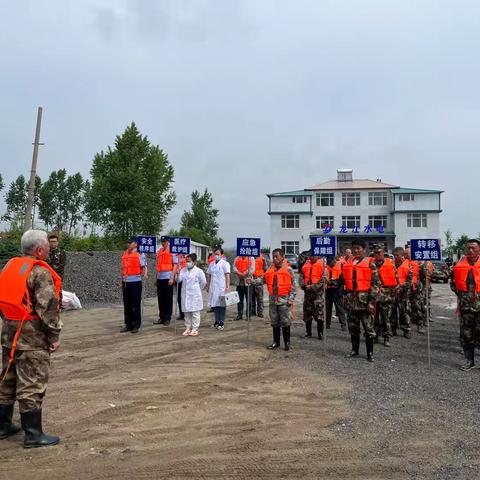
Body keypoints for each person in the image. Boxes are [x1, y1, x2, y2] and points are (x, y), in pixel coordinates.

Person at [0, 230, 62, 448]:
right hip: (32, 339)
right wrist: (54, 335)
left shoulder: (10, 267)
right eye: (46, 246)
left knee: (7, 380)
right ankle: (33, 435)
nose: (48, 249)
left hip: (9, 334)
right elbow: (48, 307)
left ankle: (3, 426)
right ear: (39, 250)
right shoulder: (39, 272)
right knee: (32, 383)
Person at [338, 239, 380, 362]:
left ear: (364, 250)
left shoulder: (370, 263)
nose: (356, 251)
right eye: (354, 248)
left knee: (368, 329)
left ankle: (370, 354)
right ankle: (355, 350)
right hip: (351, 301)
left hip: (365, 301)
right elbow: (342, 279)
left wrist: (371, 302)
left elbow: (376, 284)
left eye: (359, 248)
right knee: (353, 328)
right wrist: (329, 281)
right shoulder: (348, 263)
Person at [450, 239, 480, 371]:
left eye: (473, 248)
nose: (471, 251)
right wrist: (462, 295)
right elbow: (453, 282)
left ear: (479, 250)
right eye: (468, 248)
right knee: (466, 335)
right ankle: (469, 361)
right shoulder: (459, 265)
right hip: (466, 307)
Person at [265, 248, 297, 351]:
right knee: (274, 322)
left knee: (285, 322)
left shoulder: (288, 269)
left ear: (282, 257)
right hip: (273, 301)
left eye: (276, 256)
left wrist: (291, 299)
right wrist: (252, 281)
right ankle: (276, 342)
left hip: (284, 301)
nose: (274, 259)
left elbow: (294, 286)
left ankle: (287, 343)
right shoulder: (270, 269)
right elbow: (262, 279)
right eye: (273, 256)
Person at [373, 246, 399, 347]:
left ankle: (386, 337)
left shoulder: (391, 265)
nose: (377, 254)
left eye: (379, 252)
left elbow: (396, 281)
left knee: (385, 318)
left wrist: (393, 295)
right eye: (375, 252)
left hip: (386, 297)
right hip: (374, 296)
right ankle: (375, 335)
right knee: (374, 318)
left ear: (383, 252)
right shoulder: (371, 265)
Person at [120, 237, 145, 334]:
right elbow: (123, 268)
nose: (128, 244)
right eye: (128, 243)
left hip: (135, 282)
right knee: (127, 304)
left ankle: (136, 325)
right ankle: (128, 324)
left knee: (135, 304)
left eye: (130, 243)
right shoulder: (125, 253)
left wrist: (145, 274)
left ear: (136, 244)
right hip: (126, 282)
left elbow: (144, 266)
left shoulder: (140, 254)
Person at [178, 254, 207, 337]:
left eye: (189, 261)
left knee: (195, 312)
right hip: (185, 294)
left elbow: (203, 282)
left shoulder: (199, 271)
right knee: (186, 312)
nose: (187, 263)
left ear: (194, 262)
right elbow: (179, 279)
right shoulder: (183, 270)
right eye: (186, 261)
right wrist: (177, 274)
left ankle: (195, 329)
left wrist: (198, 289)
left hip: (195, 294)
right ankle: (188, 327)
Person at [299, 255, 326, 339]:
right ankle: (308, 333)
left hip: (318, 294)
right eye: (310, 256)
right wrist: (303, 285)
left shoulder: (323, 265)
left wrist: (313, 287)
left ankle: (320, 333)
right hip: (307, 294)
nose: (311, 257)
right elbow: (301, 277)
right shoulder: (305, 265)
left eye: (314, 256)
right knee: (307, 313)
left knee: (319, 314)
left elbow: (324, 279)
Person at [154, 236, 176, 326]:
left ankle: (167, 318)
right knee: (161, 299)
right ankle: (161, 317)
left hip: (168, 277)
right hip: (160, 277)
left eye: (164, 241)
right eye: (162, 241)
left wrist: (172, 278)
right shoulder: (159, 252)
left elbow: (175, 265)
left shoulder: (173, 251)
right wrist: (156, 278)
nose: (163, 243)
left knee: (167, 299)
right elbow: (157, 266)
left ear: (168, 241)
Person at [207, 248, 231, 330]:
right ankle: (216, 321)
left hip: (221, 287)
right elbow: (209, 275)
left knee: (222, 305)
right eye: (215, 254)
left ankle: (221, 321)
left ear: (222, 255)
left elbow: (227, 275)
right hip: (213, 287)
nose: (216, 256)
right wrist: (208, 285)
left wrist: (227, 286)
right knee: (215, 305)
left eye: (218, 254)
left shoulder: (225, 264)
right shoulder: (211, 264)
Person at [393, 247, 413, 338]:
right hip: (393, 292)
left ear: (402, 256)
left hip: (404, 293)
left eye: (397, 255)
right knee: (392, 312)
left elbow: (409, 280)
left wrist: (401, 287)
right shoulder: (391, 264)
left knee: (404, 311)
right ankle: (393, 329)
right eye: (394, 255)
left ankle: (406, 330)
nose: (395, 257)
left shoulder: (408, 265)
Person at [405, 247, 426, 334]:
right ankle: (407, 328)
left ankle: (420, 325)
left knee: (417, 307)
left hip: (416, 289)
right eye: (404, 254)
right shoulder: (402, 263)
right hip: (406, 289)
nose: (405, 256)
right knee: (406, 308)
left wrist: (421, 286)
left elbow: (423, 277)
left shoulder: (418, 263)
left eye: (407, 254)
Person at [325, 256, 347, 331]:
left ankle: (343, 325)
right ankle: (327, 324)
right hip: (328, 290)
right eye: (328, 262)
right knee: (327, 308)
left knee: (340, 308)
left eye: (331, 261)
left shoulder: (340, 265)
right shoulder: (325, 266)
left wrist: (332, 282)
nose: (330, 263)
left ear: (334, 259)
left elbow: (343, 278)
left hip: (338, 290)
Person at [232, 254, 255, 320]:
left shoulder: (251, 258)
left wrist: (245, 273)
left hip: (248, 282)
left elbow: (252, 269)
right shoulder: (237, 258)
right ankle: (240, 314)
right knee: (239, 300)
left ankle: (248, 316)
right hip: (239, 282)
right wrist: (238, 273)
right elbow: (234, 267)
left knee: (249, 300)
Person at [176, 254, 187, 320]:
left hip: (186, 279)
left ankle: (187, 313)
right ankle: (181, 313)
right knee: (179, 297)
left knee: (186, 297)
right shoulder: (177, 256)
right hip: (179, 278)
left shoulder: (189, 257)